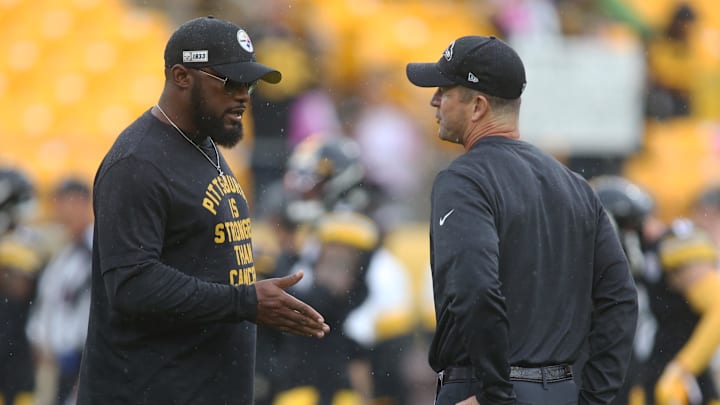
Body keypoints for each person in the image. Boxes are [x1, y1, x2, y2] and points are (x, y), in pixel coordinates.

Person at [75, 16, 330, 405]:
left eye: (250, 84)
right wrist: (245, 301)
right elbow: (131, 285)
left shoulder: (203, 145)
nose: (244, 95)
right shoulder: (137, 162)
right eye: (231, 82)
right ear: (181, 76)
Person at [405, 36, 638, 404]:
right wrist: (595, 399)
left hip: (483, 388)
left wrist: (494, 395)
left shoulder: (464, 179)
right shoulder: (575, 185)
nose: (434, 99)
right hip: (562, 391)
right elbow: (619, 300)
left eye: (444, 89)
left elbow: (475, 289)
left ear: (477, 105)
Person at [26, 178, 94, 405]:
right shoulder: (63, 255)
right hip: (53, 366)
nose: (62, 214)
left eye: (69, 205)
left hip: (82, 364)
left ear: (85, 204)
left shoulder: (98, 250)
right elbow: (47, 303)